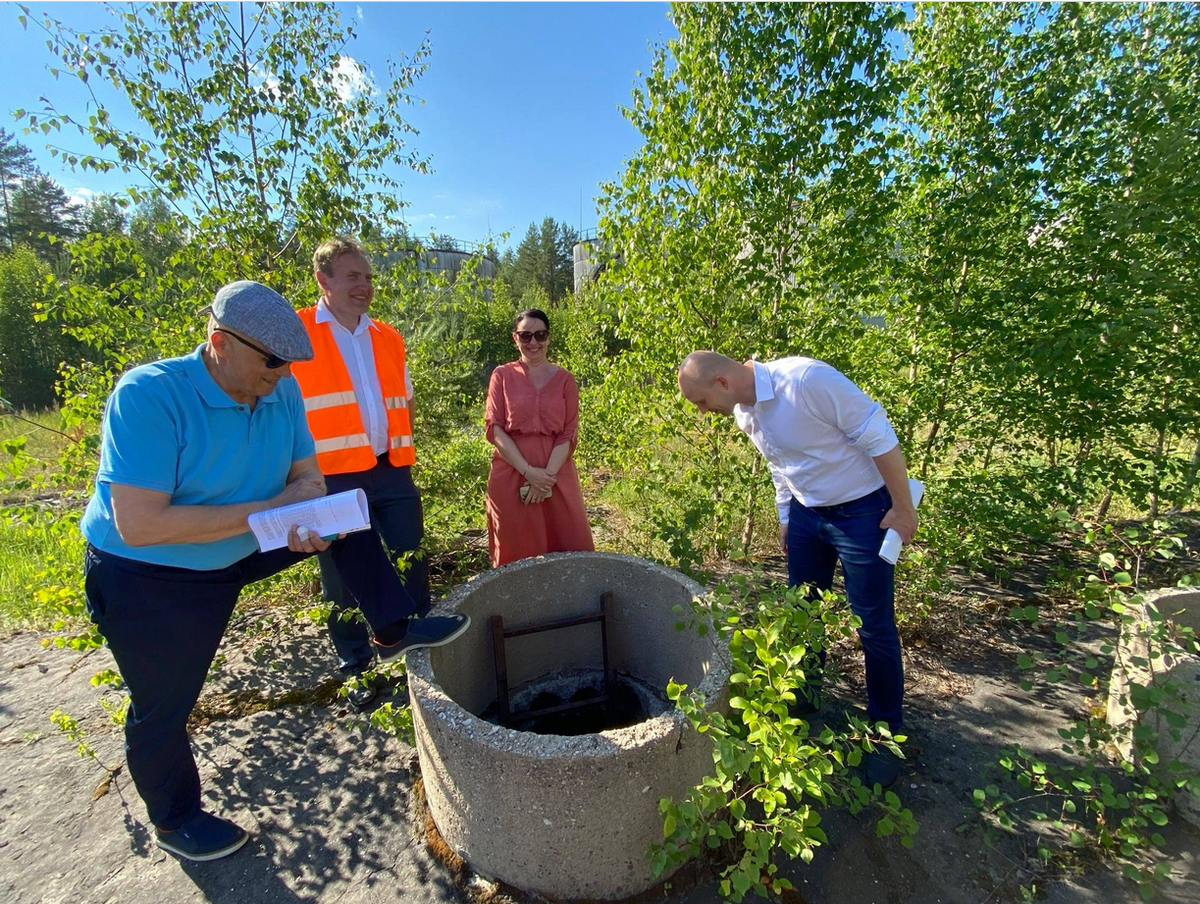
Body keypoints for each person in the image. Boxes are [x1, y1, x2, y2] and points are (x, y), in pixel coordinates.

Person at [80, 281, 469, 863]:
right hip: (151, 575)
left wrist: (304, 513)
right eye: (272, 361)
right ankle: (176, 819)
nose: (283, 373)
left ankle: (391, 626)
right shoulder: (150, 395)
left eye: (289, 363)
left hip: (242, 543)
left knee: (348, 511)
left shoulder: (279, 392)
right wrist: (272, 510)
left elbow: (311, 480)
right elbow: (140, 524)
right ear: (219, 342)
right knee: (164, 705)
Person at [677, 350, 917, 788]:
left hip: (863, 513)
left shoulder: (805, 381)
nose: (703, 412)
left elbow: (877, 433)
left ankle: (886, 737)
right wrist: (788, 518)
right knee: (803, 613)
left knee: (873, 625)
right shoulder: (745, 413)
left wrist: (904, 508)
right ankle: (804, 701)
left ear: (721, 383)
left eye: (701, 402)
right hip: (809, 516)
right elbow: (780, 465)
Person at [290, 237, 428, 711]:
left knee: (411, 559)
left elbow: (403, 398)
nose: (364, 285)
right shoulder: (298, 333)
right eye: (353, 276)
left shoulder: (387, 336)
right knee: (341, 578)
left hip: (391, 470)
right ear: (322, 280)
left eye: (368, 277)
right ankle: (357, 669)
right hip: (332, 477)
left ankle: (418, 656)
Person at [484, 308, 594, 567]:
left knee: (571, 541)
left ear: (548, 337)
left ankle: (570, 604)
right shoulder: (501, 376)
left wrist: (545, 478)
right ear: (515, 338)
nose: (533, 342)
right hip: (511, 470)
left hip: (556, 471)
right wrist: (528, 472)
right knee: (514, 548)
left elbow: (568, 432)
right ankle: (515, 606)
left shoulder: (566, 380)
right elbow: (494, 428)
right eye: (526, 336)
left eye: (540, 335)